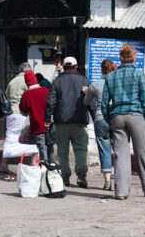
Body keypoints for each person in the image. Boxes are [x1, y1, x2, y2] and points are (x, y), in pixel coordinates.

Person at [102, 44, 145, 200]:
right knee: (142, 152)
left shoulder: (111, 76)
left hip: (117, 117)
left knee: (120, 154)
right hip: (136, 116)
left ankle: (121, 191)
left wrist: (109, 118)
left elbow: (104, 101)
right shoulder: (139, 75)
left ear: (120, 58)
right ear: (134, 58)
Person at [46, 56, 90, 188]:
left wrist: (47, 118)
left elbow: (50, 102)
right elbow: (90, 100)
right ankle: (81, 176)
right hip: (80, 121)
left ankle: (65, 177)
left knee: (62, 151)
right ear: (76, 66)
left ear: (64, 67)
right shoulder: (84, 80)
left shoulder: (57, 81)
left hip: (62, 122)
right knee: (81, 149)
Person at [83, 59, 117, 191]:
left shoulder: (95, 85)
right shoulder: (116, 85)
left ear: (101, 70)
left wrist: (87, 92)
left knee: (104, 149)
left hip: (99, 119)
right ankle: (118, 178)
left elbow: (86, 102)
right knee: (118, 149)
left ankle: (107, 180)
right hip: (115, 118)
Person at [0, 62, 32, 179]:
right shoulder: (27, 81)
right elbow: (31, 95)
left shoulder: (12, 81)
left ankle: (3, 163)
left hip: (11, 113)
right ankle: (31, 163)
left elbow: (6, 96)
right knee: (28, 137)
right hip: (22, 112)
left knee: (10, 137)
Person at [19, 70, 51, 163]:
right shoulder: (46, 90)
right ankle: (52, 171)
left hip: (37, 127)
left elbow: (23, 111)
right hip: (49, 126)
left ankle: (44, 170)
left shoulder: (27, 94)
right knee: (50, 149)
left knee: (42, 150)